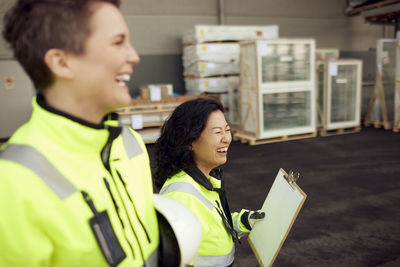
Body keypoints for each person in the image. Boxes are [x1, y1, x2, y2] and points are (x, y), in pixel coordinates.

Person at [0, 0, 166, 266]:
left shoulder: (129, 143)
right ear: (62, 62)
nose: (134, 56)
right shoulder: (11, 182)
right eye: (118, 42)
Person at [154, 98, 265, 267]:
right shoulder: (180, 196)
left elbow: (210, 230)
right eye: (217, 132)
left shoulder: (205, 181)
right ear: (190, 141)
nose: (226, 138)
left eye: (227, 130)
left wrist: (243, 221)